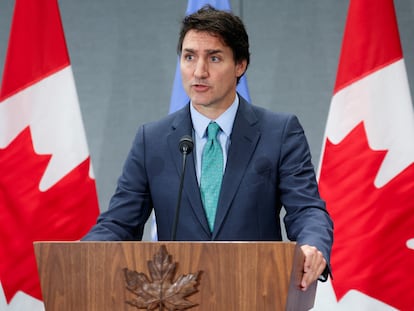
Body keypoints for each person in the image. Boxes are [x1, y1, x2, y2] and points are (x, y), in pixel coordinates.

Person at [83, 5, 333, 291]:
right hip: (178, 298)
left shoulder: (279, 133)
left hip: (257, 293)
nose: (199, 71)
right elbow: (119, 223)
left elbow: (307, 209)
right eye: (189, 57)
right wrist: (79, 256)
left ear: (240, 65)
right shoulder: (152, 140)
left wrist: (313, 245)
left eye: (214, 58)